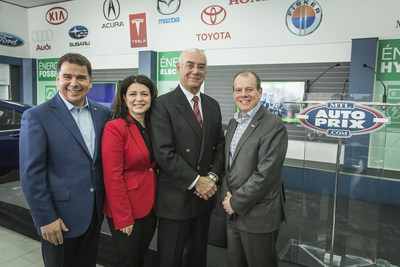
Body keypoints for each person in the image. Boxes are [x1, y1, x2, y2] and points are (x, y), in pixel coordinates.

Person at [19, 53, 110, 267]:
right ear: (57, 79)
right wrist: (45, 218)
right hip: (58, 220)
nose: (74, 83)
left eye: (81, 77)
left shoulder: (102, 112)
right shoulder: (37, 116)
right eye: (67, 76)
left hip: (93, 215)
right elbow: (31, 174)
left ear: (90, 81)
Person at [150, 48, 224, 267]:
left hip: (204, 199)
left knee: (197, 258)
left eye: (201, 66)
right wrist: (196, 181)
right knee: (170, 258)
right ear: (178, 68)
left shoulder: (212, 105)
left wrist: (211, 177)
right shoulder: (162, 104)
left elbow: (219, 145)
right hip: (176, 199)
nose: (195, 71)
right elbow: (164, 152)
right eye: (190, 65)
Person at [221, 70, 288, 267]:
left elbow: (266, 174)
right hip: (233, 211)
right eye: (238, 90)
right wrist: (228, 199)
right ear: (233, 93)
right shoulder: (234, 122)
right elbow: (229, 165)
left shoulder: (273, 125)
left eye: (249, 89)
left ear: (259, 92)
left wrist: (236, 202)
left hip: (259, 214)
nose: (244, 94)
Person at [102, 75, 158, 267]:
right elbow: (112, 176)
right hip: (126, 209)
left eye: (144, 94)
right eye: (133, 94)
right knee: (128, 261)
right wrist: (123, 217)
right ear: (124, 98)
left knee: (140, 257)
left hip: (150, 206)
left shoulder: (153, 127)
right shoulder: (115, 128)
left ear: (152, 97)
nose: (139, 99)